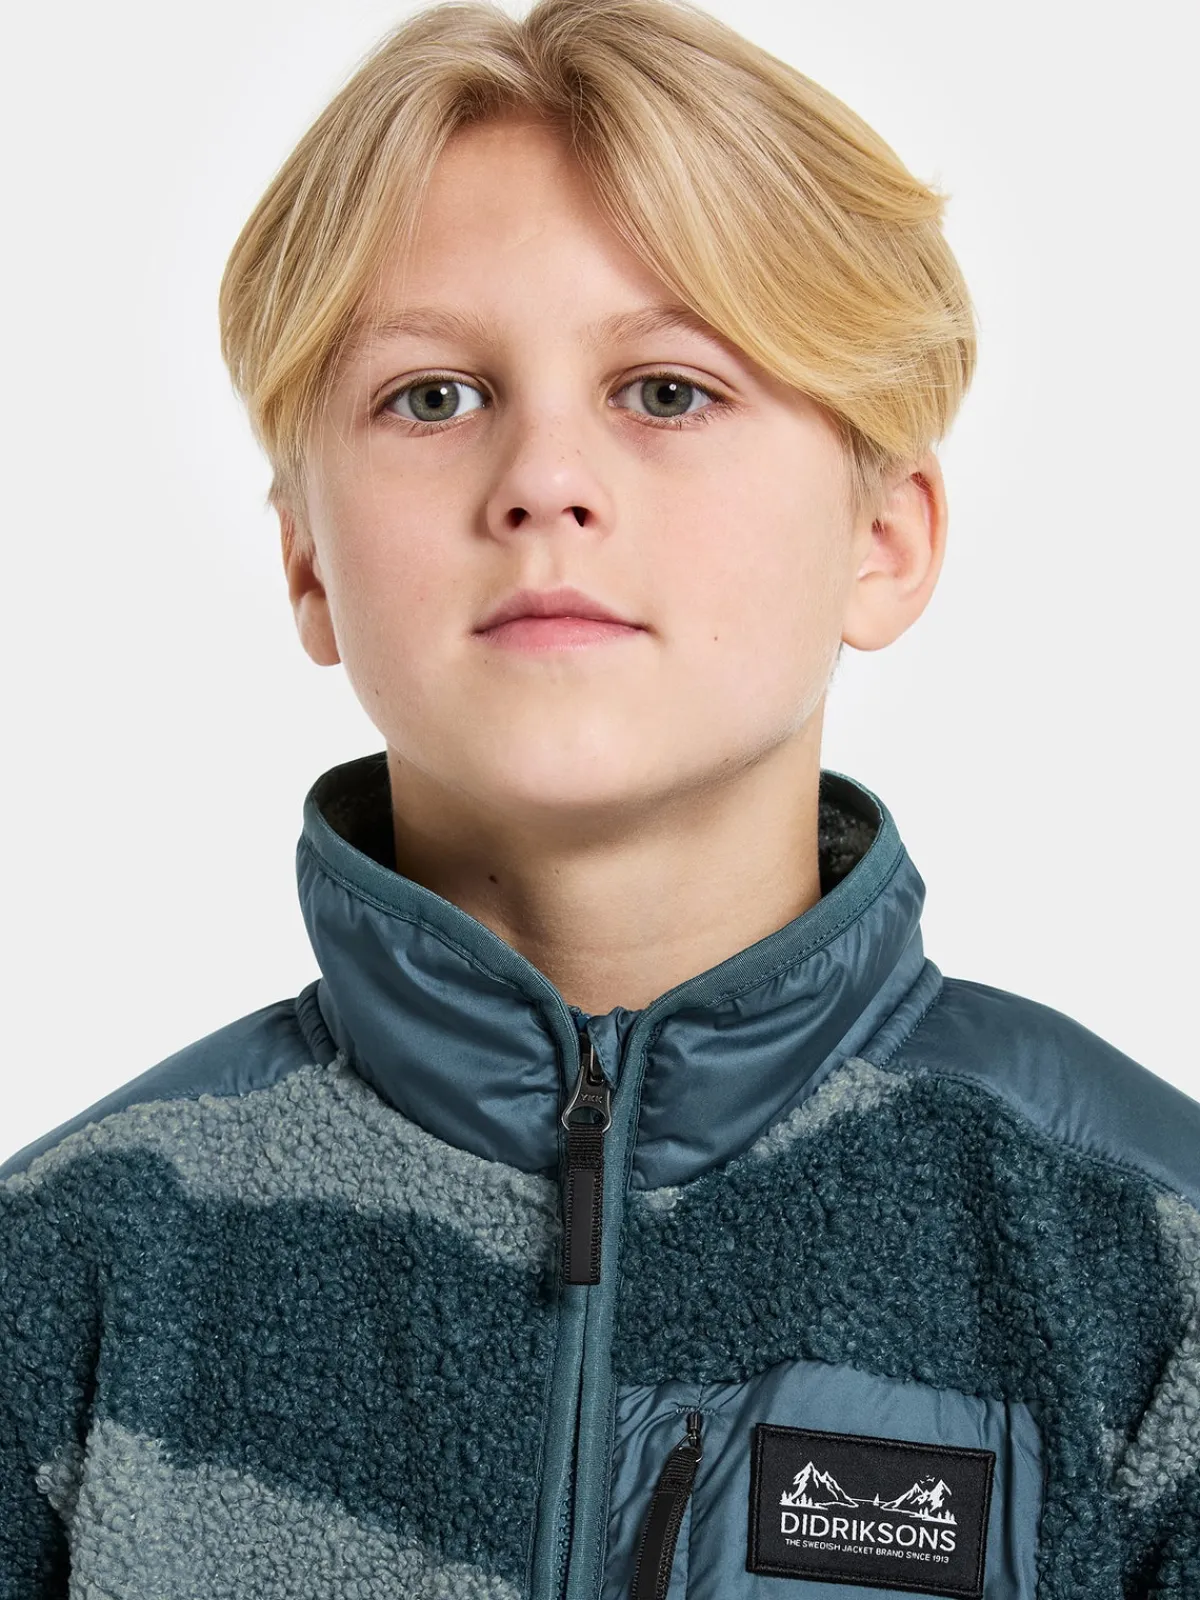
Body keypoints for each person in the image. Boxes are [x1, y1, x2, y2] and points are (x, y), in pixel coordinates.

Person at [2, 0, 1197, 1594]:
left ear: (884, 538)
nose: (544, 481)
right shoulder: (67, 1271)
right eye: (434, 397)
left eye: (668, 391)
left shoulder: (1149, 1267)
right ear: (307, 562)